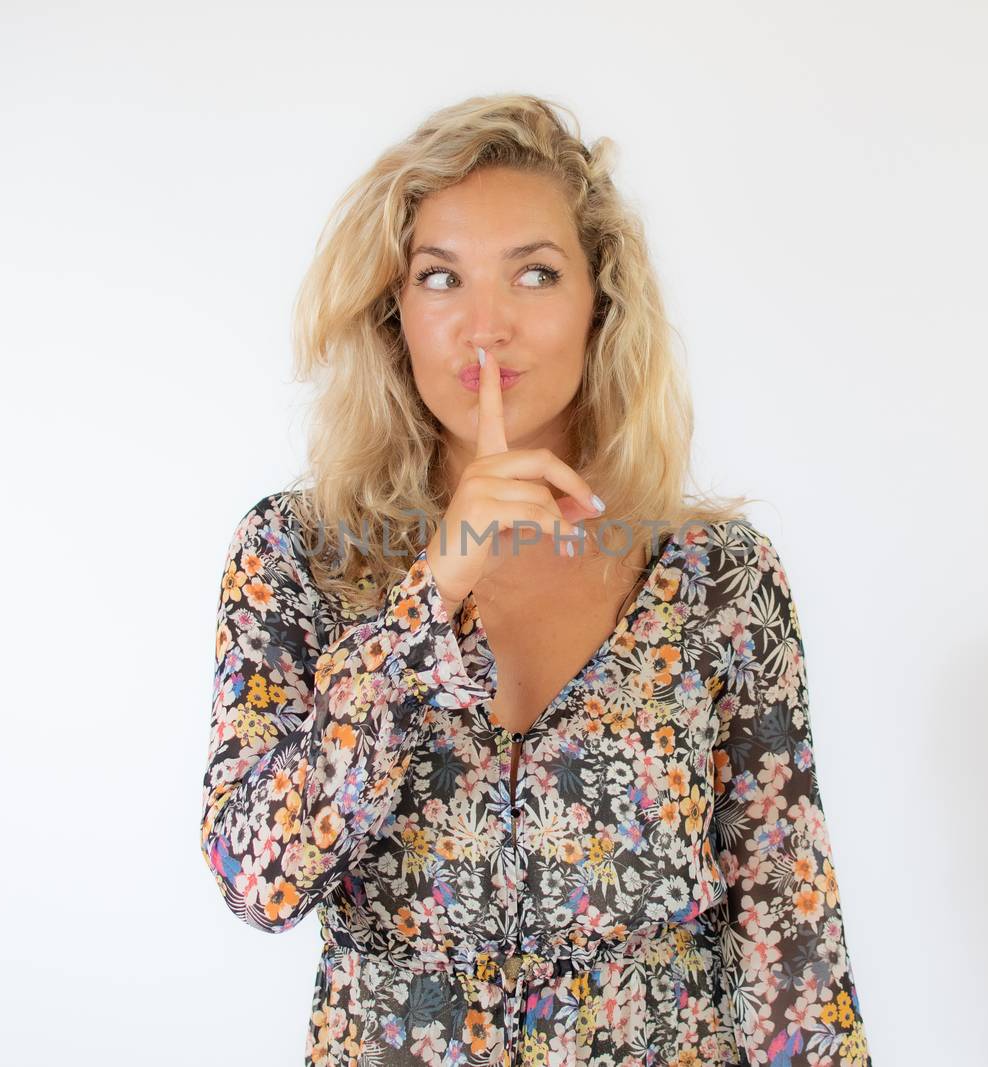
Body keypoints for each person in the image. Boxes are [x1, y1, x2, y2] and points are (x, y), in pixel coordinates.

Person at [199, 93, 873, 1066]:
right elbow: (258, 876)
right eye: (441, 277)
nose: (487, 326)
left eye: (535, 273)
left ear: (601, 303)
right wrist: (431, 588)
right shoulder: (299, 560)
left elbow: (793, 941)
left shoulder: (717, 580)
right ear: (393, 312)